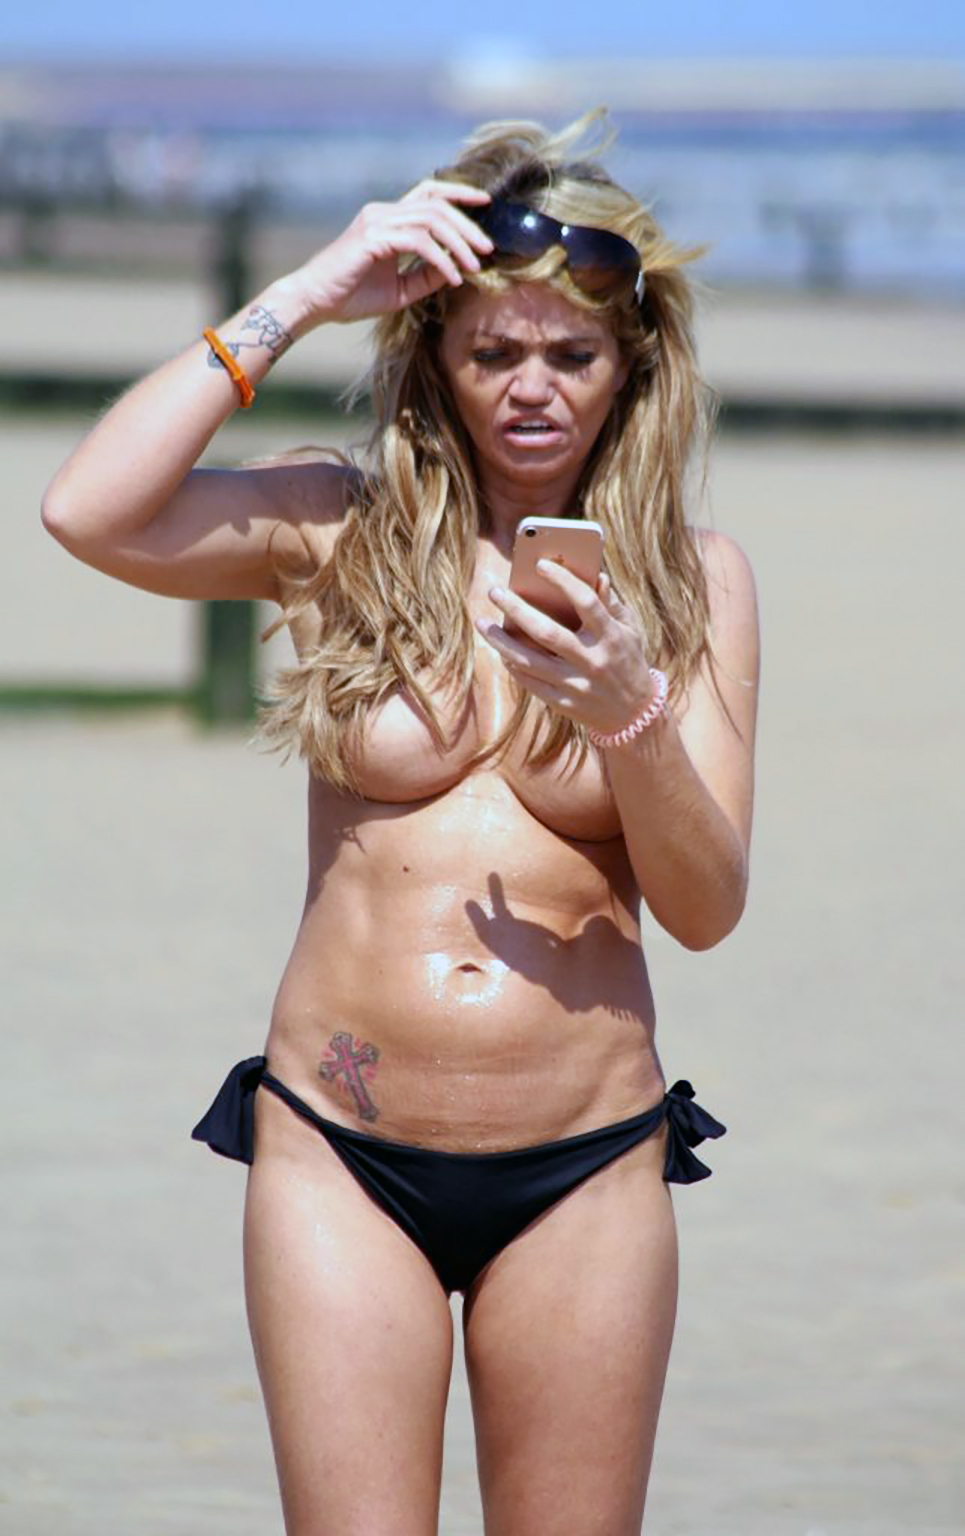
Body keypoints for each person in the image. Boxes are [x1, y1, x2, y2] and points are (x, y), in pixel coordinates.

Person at [42, 109, 759, 1536]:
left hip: (584, 1165)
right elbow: (89, 511)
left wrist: (628, 712)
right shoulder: (337, 529)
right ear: (435, 356)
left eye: (571, 355)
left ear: (631, 363)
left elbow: (705, 907)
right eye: (492, 352)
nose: (531, 388)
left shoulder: (693, 582)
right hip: (339, 1150)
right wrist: (308, 293)